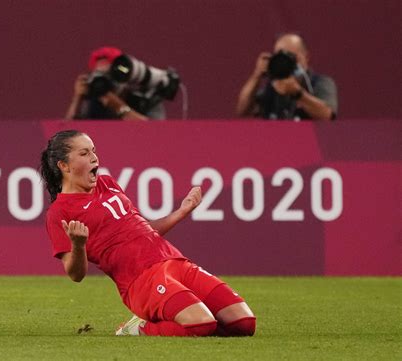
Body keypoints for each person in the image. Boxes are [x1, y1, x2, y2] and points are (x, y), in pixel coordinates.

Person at [40, 130, 256, 337]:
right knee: (201, 324)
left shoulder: (107, 183)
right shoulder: (60, 212)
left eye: (94, 150)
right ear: (64, 166)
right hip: (140, 280)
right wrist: (79, 245)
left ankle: (185, 323)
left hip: (175, 261)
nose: (94, 158)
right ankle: (137, 329)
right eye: (84, 153)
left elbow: (141, 230)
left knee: (244, 323)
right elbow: (75, 274)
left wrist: (181, 212)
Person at [236, 32, 338, 121]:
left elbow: (327, 116)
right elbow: (242, 110)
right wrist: (256, 76)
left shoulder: (320, 82)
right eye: (281, 57)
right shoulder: (273, 87)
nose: (287, 62)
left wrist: (299, 94)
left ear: (306, 57)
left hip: (308, 139)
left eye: (291, 56)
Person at [65, 46, 166, 121]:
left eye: (108, 75)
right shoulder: (96, 98)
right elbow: (68, 138)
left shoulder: (145, 96)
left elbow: (154, 131)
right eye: (99, 75)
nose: (105, 81)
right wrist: (77, 99)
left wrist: (118, 106)